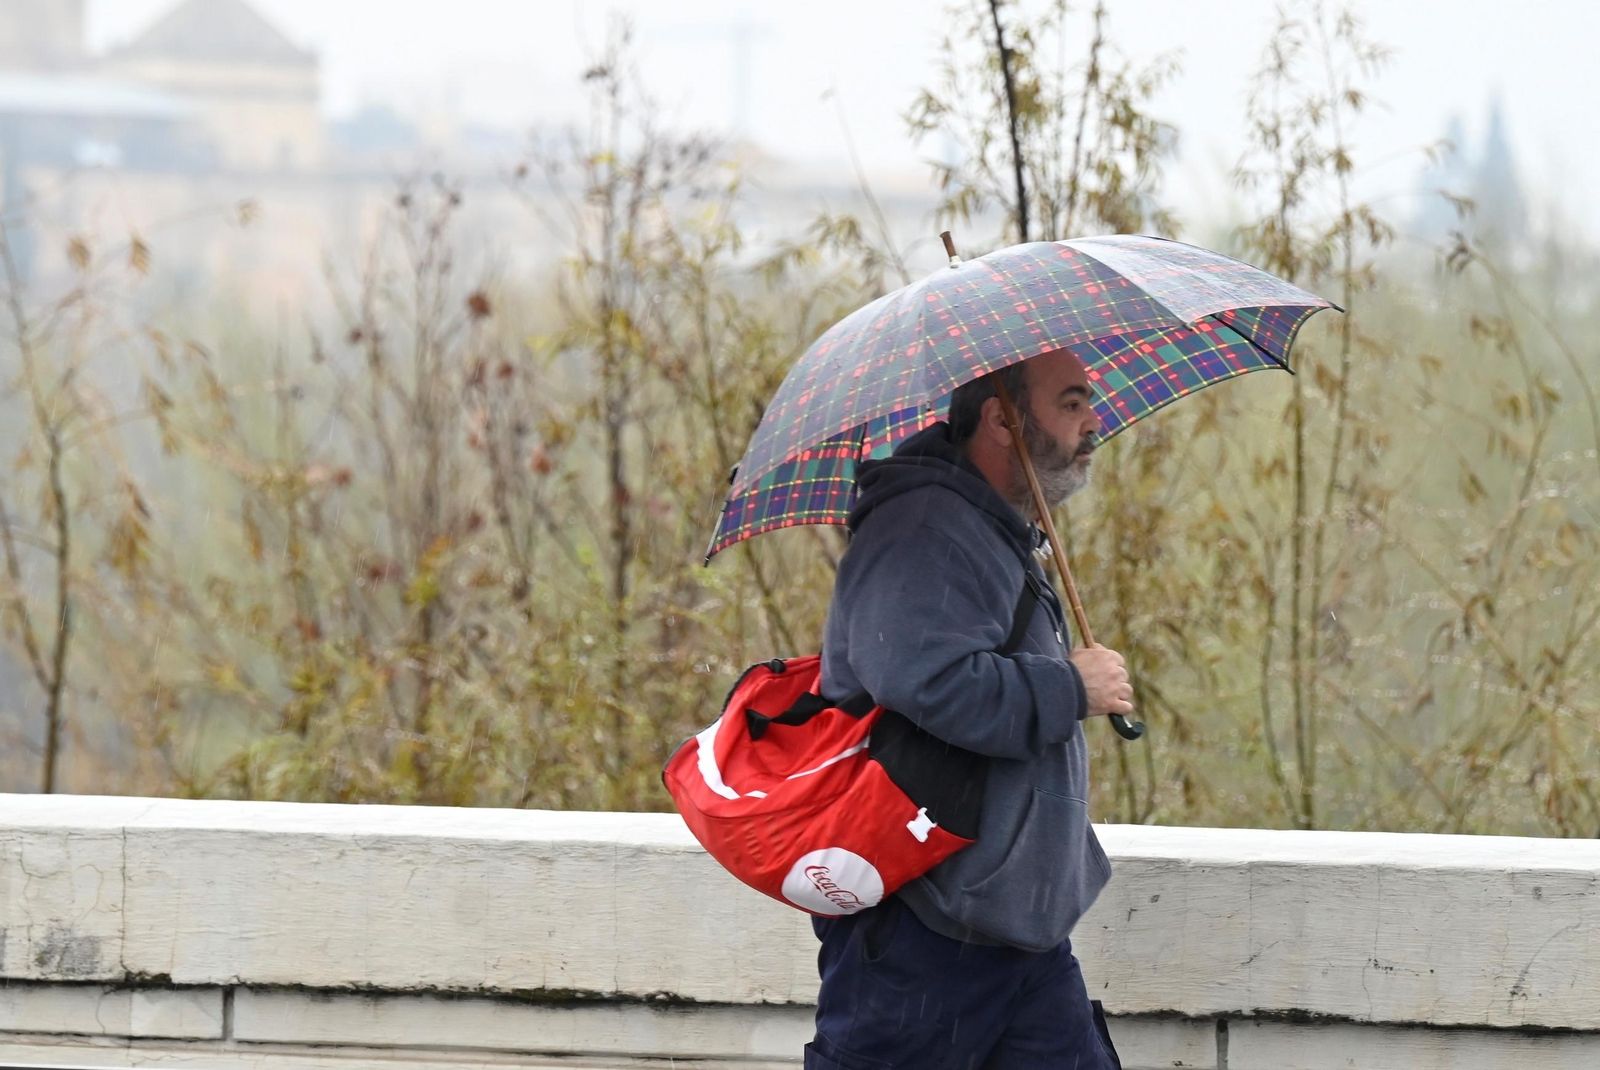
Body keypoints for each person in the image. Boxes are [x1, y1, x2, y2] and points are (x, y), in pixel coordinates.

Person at [806, 347, 1134, 1070]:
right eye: (1072, 403)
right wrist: (1069, 689)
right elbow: (924, 680)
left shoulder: (990, 529)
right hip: (929, 935)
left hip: (1014, 931)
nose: (1094, 422)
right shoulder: (921, 530)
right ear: (1001, 419)